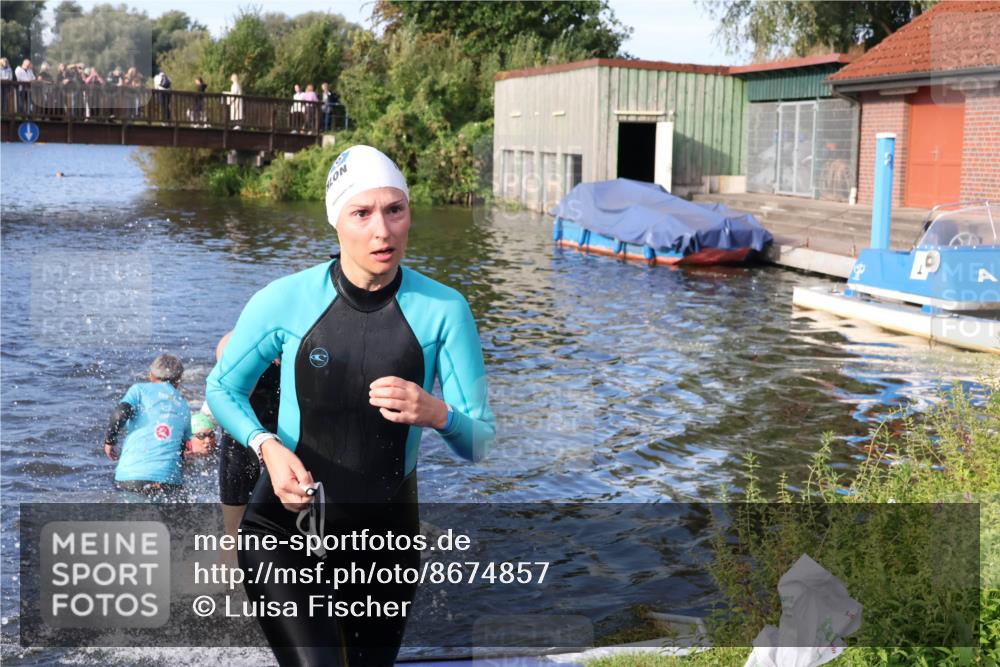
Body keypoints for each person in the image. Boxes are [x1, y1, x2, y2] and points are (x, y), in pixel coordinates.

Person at [206, 145, 495, 666]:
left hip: (387, 545)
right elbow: (221, 390)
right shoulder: (285, 300)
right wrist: (266, 445)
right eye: (362, 213)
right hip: (284, 534)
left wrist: (438, 414)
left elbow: (480, 442)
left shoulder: (445, 310)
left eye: (395, 210)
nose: (382, 231)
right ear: (336, 221)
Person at [104, 354, 192, 495]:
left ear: (151, 375)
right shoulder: (183, 405)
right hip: (168, 480)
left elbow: (120, 413)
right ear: (179, 380)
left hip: (132, 476)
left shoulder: (139, 390)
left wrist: (110, 440)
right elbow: (183, 447)